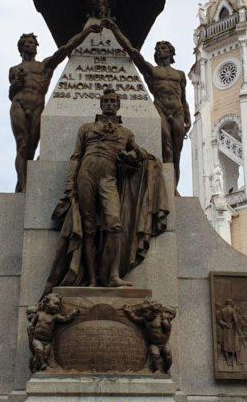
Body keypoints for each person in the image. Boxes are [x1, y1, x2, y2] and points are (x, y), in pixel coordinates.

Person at [44, 89, 169, 293]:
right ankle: (92, 279)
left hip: (108, 177)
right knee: (89, 228)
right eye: (106, 101)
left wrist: (133, 154)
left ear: (118, 105)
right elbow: (76, 156)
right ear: (101, 104)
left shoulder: (126, 133)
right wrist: (70, 183)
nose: (110, 104)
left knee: (114, 225)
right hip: (86, 174)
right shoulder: (86, 128)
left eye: (113, 101)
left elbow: (140, 153)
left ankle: (112, 275)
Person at [9, 23, 101, 192]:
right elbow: (11, 94)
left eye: (32, 43)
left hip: (37, 107)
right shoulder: (14, 69)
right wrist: (15, 85)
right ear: (21, 47)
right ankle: (23, 186)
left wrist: (86, 31)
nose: (30, 45)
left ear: (36, 48)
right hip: (19, 105)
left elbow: (66, 48)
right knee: (22, 145)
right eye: (26, 43)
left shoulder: (45, 65)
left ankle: (22, 182)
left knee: (31, 149)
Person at [104, 19, 191, 190]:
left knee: (177, 154)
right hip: (160, 109)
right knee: (167, 149)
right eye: (158, 49)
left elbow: (183, 98)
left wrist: (187, 117)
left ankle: (174, 188)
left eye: (164, 48)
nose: (160, 50)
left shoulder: (180, 74)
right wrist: (115, 29)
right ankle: (168, 187)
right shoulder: (152, 71)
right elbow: (133, 51)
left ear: (171, 53)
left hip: (178, 112)